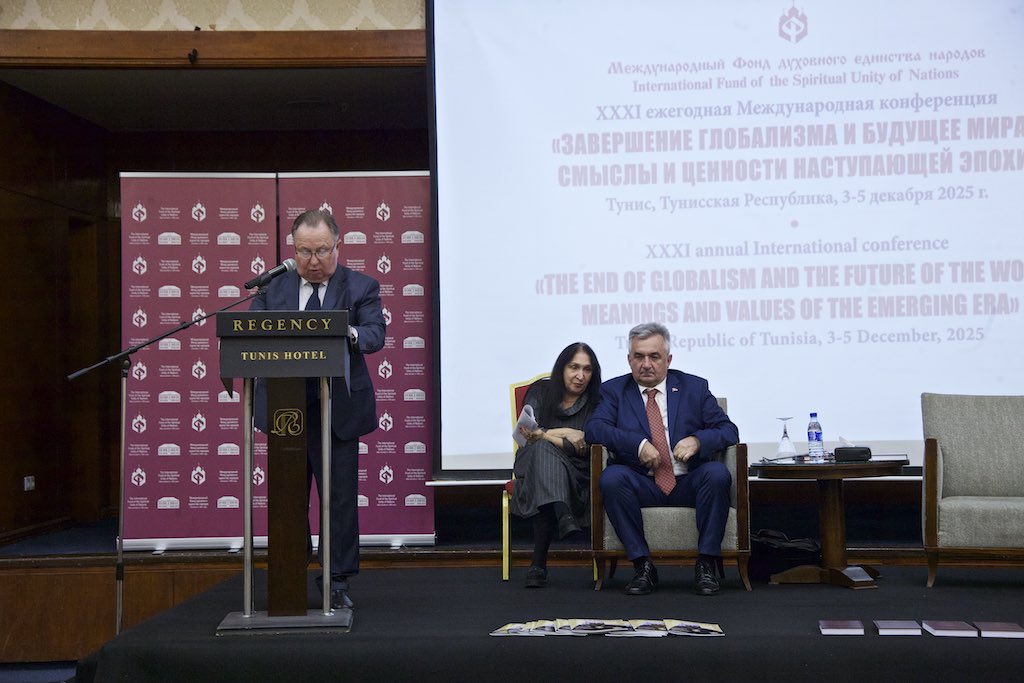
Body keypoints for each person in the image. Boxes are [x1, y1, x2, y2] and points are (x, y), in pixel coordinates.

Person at [251, 208, 386, 610]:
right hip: (286, 409)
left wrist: (349, 332)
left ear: (337, 247)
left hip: (337, 409)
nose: (312, 261)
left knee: (339, 499)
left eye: (321, 251)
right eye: (304, 252)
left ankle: (336, 580)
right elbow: (251, 332)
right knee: (288, 498)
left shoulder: (361, 286)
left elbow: (375, 333)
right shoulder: (272, 288)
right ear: (292, 250)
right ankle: (290, 571)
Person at [584, 322, 738, 596]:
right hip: (642, 483)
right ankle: (642, 566)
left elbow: (729, 431)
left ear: (668, 359)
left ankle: (706, 565)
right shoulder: (614, 391)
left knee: (717, 474)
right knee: (611, 478)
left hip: (688, 482)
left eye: (654, 356)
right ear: (629, 360)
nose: (646, 364)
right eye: (639, 356)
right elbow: (594, 429)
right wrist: (638, 445)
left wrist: (698, 440)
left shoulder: (694, 387)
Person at [510, 342, 602, 588]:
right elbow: (525, 434)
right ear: (562, 368)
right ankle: (563, 513)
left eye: (587, 369)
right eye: (574, 367)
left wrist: (544, 434)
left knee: (545, 460)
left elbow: (584, 447)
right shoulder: (540, 391)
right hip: (531, 462)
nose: (580, 375)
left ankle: (538, 564)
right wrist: (565, 433)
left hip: (577, 469)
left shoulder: (596, 401)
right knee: (542, 454)